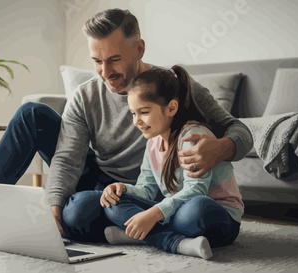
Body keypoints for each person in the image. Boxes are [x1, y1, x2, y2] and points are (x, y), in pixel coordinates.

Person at [0, 8, 252, 243]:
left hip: (155, 191)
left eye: (115, 59)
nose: (106, 72)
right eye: (97, 61)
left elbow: (241, 131)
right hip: (107, 186)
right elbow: (68, 157)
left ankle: (135, 228)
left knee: (85, 217)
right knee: (33, 114)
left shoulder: (171, 87)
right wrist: (54, 207)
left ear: (140, 48)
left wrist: (223, 147)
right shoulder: (86, 95)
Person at [100, 66, 244, 260]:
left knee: (195, 210)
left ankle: (142, 235)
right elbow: (146, 189)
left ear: (171, 108)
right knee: (113, 204)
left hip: (217, 218)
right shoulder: (152, 143)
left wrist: (155, 213)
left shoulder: (193, 136)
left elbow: (196, 191)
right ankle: (174, 242)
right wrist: (122, 189)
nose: (137, 121)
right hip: (177, 212)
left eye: (143, 112)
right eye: (133, 113)